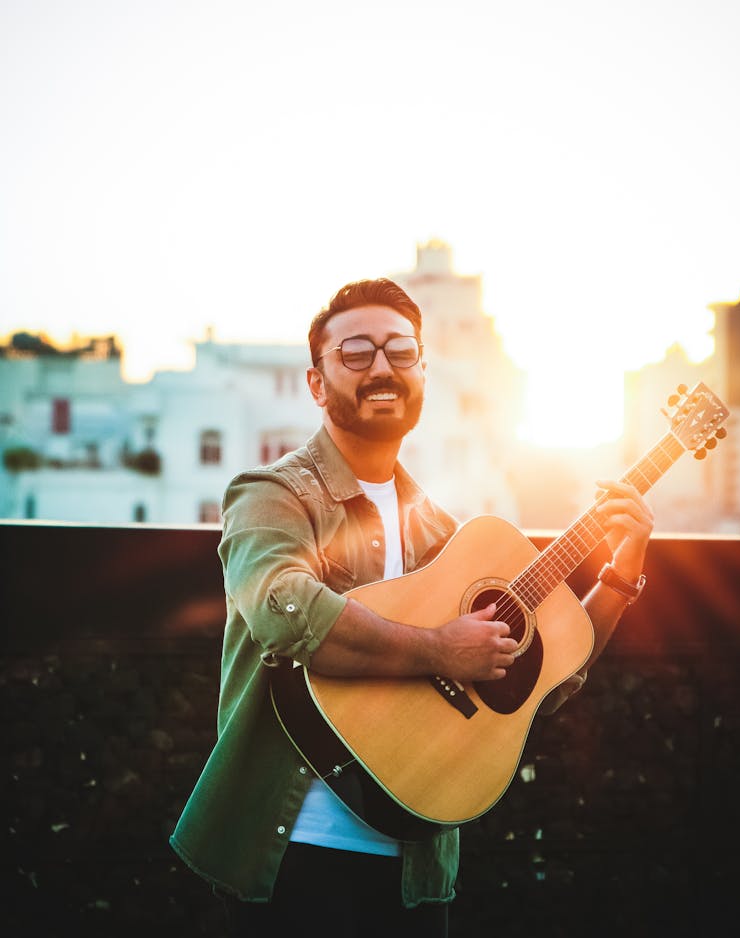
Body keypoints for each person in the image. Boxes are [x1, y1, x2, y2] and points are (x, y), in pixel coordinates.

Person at [169, 277, 654, 937]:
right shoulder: (271, 495)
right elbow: (283, 607)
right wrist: (438, 649)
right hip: (290, 855)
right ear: (317, 384)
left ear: (423, 371)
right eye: (357, 353)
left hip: (416, 869)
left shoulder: (445, 533)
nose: (382, 369)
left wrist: (621, 574)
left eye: (401, 352)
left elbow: (549, 681)